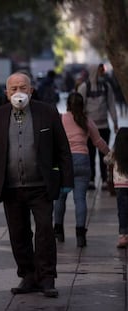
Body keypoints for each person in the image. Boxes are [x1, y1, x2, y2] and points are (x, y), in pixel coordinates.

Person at [0, 72, 73, 298]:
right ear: (6, 93)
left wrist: (66, 181)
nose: (18, 92)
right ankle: (28, 275)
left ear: (31, 90)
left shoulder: (48, 112)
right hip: (12, 187)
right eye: (13, 88)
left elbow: (63, 149)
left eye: (23, 87)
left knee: (44, 232)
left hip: (41, 186)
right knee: (18, 234)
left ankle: (47, 278)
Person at [54, 92, 110, 247]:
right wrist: (112, 155)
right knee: (80, 200)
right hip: (83, 161)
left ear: (68, 104)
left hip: (64, 162)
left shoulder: (60, 119)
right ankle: (80, 235)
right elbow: (98, 142)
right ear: (82, 105)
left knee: (60, 198)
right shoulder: (87, 121)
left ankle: (58, 230)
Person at [77, 63, 118, 190]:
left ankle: (105, 180)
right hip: (89, 128)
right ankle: (91, 179)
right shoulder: (84, 87)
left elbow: (111, 104)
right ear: (94, 71)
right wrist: (81, 124)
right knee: (89, 154)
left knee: (103, 155)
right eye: (100, 70)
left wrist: (115, 121)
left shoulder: (106, 86)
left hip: (104, 126)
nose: (103, 73)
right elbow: (79, 106)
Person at [105, 128, 128, 248]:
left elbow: (106, 160)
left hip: (120, 186)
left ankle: (123, 236)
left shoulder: (115, 152)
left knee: (122, 211)